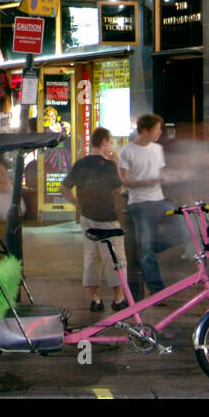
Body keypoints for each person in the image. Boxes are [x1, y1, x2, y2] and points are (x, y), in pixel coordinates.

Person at [64, 128, 128, 312]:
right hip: (107, 217)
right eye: (109, 142)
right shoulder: (107, 165)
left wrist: (77, 203)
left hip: (87, 217)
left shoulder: (80, 164)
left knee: (91, 256)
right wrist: (115, 162)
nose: (110, 145)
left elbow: (65, 187)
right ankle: (118, 298)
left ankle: (95, 299)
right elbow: (118, 189)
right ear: (103, 143)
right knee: (114, 256)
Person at [118, 113, 172, 298]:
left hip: (159, 199)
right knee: (146, 248)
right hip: (139, 203)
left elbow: (159, 173)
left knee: (183, 227)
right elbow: (124, 179)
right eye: (157, 129)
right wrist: (145, 182)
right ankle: (157, 290)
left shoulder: (157, 149)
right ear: (146, 130)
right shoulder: (128, 151)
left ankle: (150, 248)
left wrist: (167, 178)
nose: (160, 133)